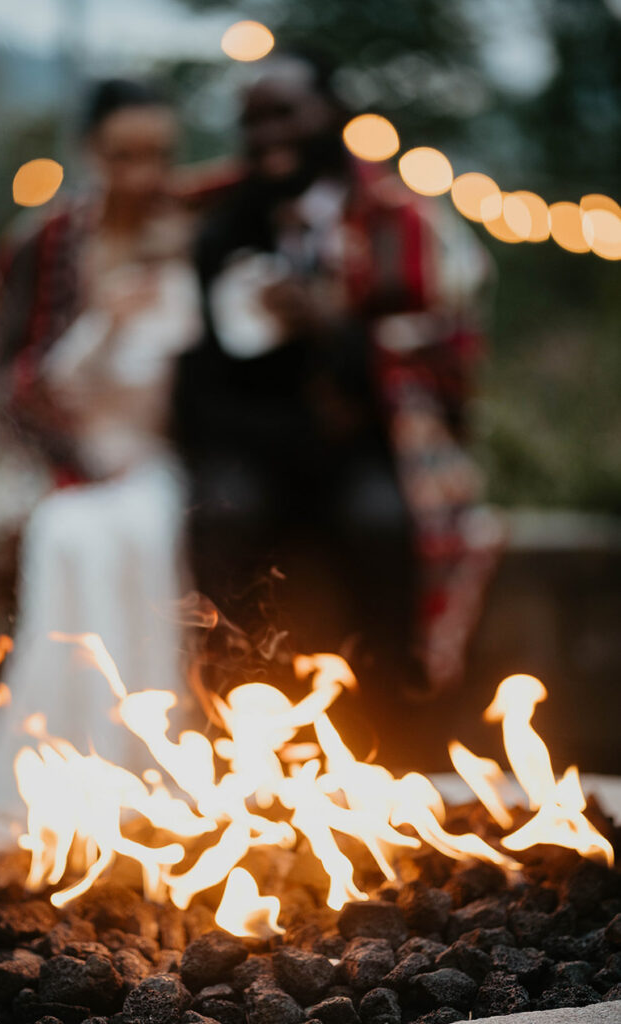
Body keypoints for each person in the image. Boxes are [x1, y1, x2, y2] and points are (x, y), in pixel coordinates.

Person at [175, 53, 503, 710]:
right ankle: (230, 716)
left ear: (331, 115)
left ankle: (387, 715)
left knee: (381, 522)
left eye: (284, 114)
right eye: (253, 120)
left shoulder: (400, 224)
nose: (269, 134)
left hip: (360, 446)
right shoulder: (220, 225)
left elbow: (442, 361)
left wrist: (336, 331)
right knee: (219, 512)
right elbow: (197, 376)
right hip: (253, 444)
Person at [0, 79, 201, 814]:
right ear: (92, 153)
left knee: (143, 527)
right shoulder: (46, 244)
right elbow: (5, 380)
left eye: (158, 155)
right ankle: (57, 773)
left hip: (152, 458)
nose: (143, 174)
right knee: (66, 534)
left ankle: (146, 767)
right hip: (60, 458)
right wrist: (106, 326)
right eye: (124, 155)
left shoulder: (190, 238)